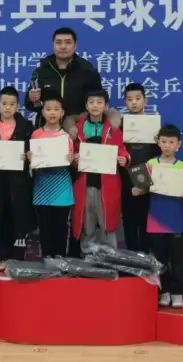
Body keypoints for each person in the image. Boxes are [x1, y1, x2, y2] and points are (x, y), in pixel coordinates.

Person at [0, 86, 36, 271]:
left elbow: (34, 153)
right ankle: (2, 258)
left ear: (18, 106)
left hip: (20, 182)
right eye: (4, 103)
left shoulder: (26, 127)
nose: (8, 107)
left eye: (12, 104)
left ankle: (18, 259)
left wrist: (29, 157)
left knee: (20, 220)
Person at [72, 88, 129, 254]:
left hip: (107, 182)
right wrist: (74, 159)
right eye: (91, 102)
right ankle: (87, 254)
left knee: (107, 220)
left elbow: (122, 149)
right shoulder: (77, 129)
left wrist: (124, 158)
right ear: (86, 106)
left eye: (99, 102)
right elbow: (72, 152)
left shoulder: (114, 128)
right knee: (87, 221)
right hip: (85, 181)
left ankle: (110, 255)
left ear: (106, 106)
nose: (95, 106)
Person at [143, 125, 183, 309]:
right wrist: (138, 188)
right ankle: (164, 292)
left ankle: (177, 292)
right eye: (164, 141)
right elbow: (140, 188)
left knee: (177, 260)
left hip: (177, 220)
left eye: (171, 142)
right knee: (159, 261)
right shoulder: (150, 164)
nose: (167, 145)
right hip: (155, 220)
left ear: (178, 144)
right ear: (158, 142)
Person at [25, 27, 104, 126]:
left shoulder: (88, 70)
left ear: (75, 45)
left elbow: (98, 102)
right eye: (58, 42)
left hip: (79, 128)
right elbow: (32, 106)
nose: (63, 46)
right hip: (47, 129)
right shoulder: (42, 70)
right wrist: (33, 100)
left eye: (68, 42)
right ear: (53, 45)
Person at [31, 95, 76, 258]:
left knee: (61, 229)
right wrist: (30, 159)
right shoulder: (36, 135)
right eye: (48, 109)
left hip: (62, 190)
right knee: (45, 229)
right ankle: (47, 262)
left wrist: (72, 159)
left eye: (56, 109)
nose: (52, 113)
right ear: (42, 112)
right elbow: (32, 166)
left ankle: (60, 262)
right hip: (42, 189)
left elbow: (73, 164)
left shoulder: (67, 137)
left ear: (62, 113)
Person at [120, 82, 159, 253]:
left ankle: (145, 257)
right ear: (125, 102)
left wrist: (158, 142)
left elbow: (161, 154)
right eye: (129, 99)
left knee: (146, 219)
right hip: (125, 177)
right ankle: (131, 257)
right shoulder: (120, 125)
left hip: (147, 176)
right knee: (128, 220)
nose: (134, 102)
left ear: (145, 100)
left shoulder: (154, 125)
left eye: (137, 98)